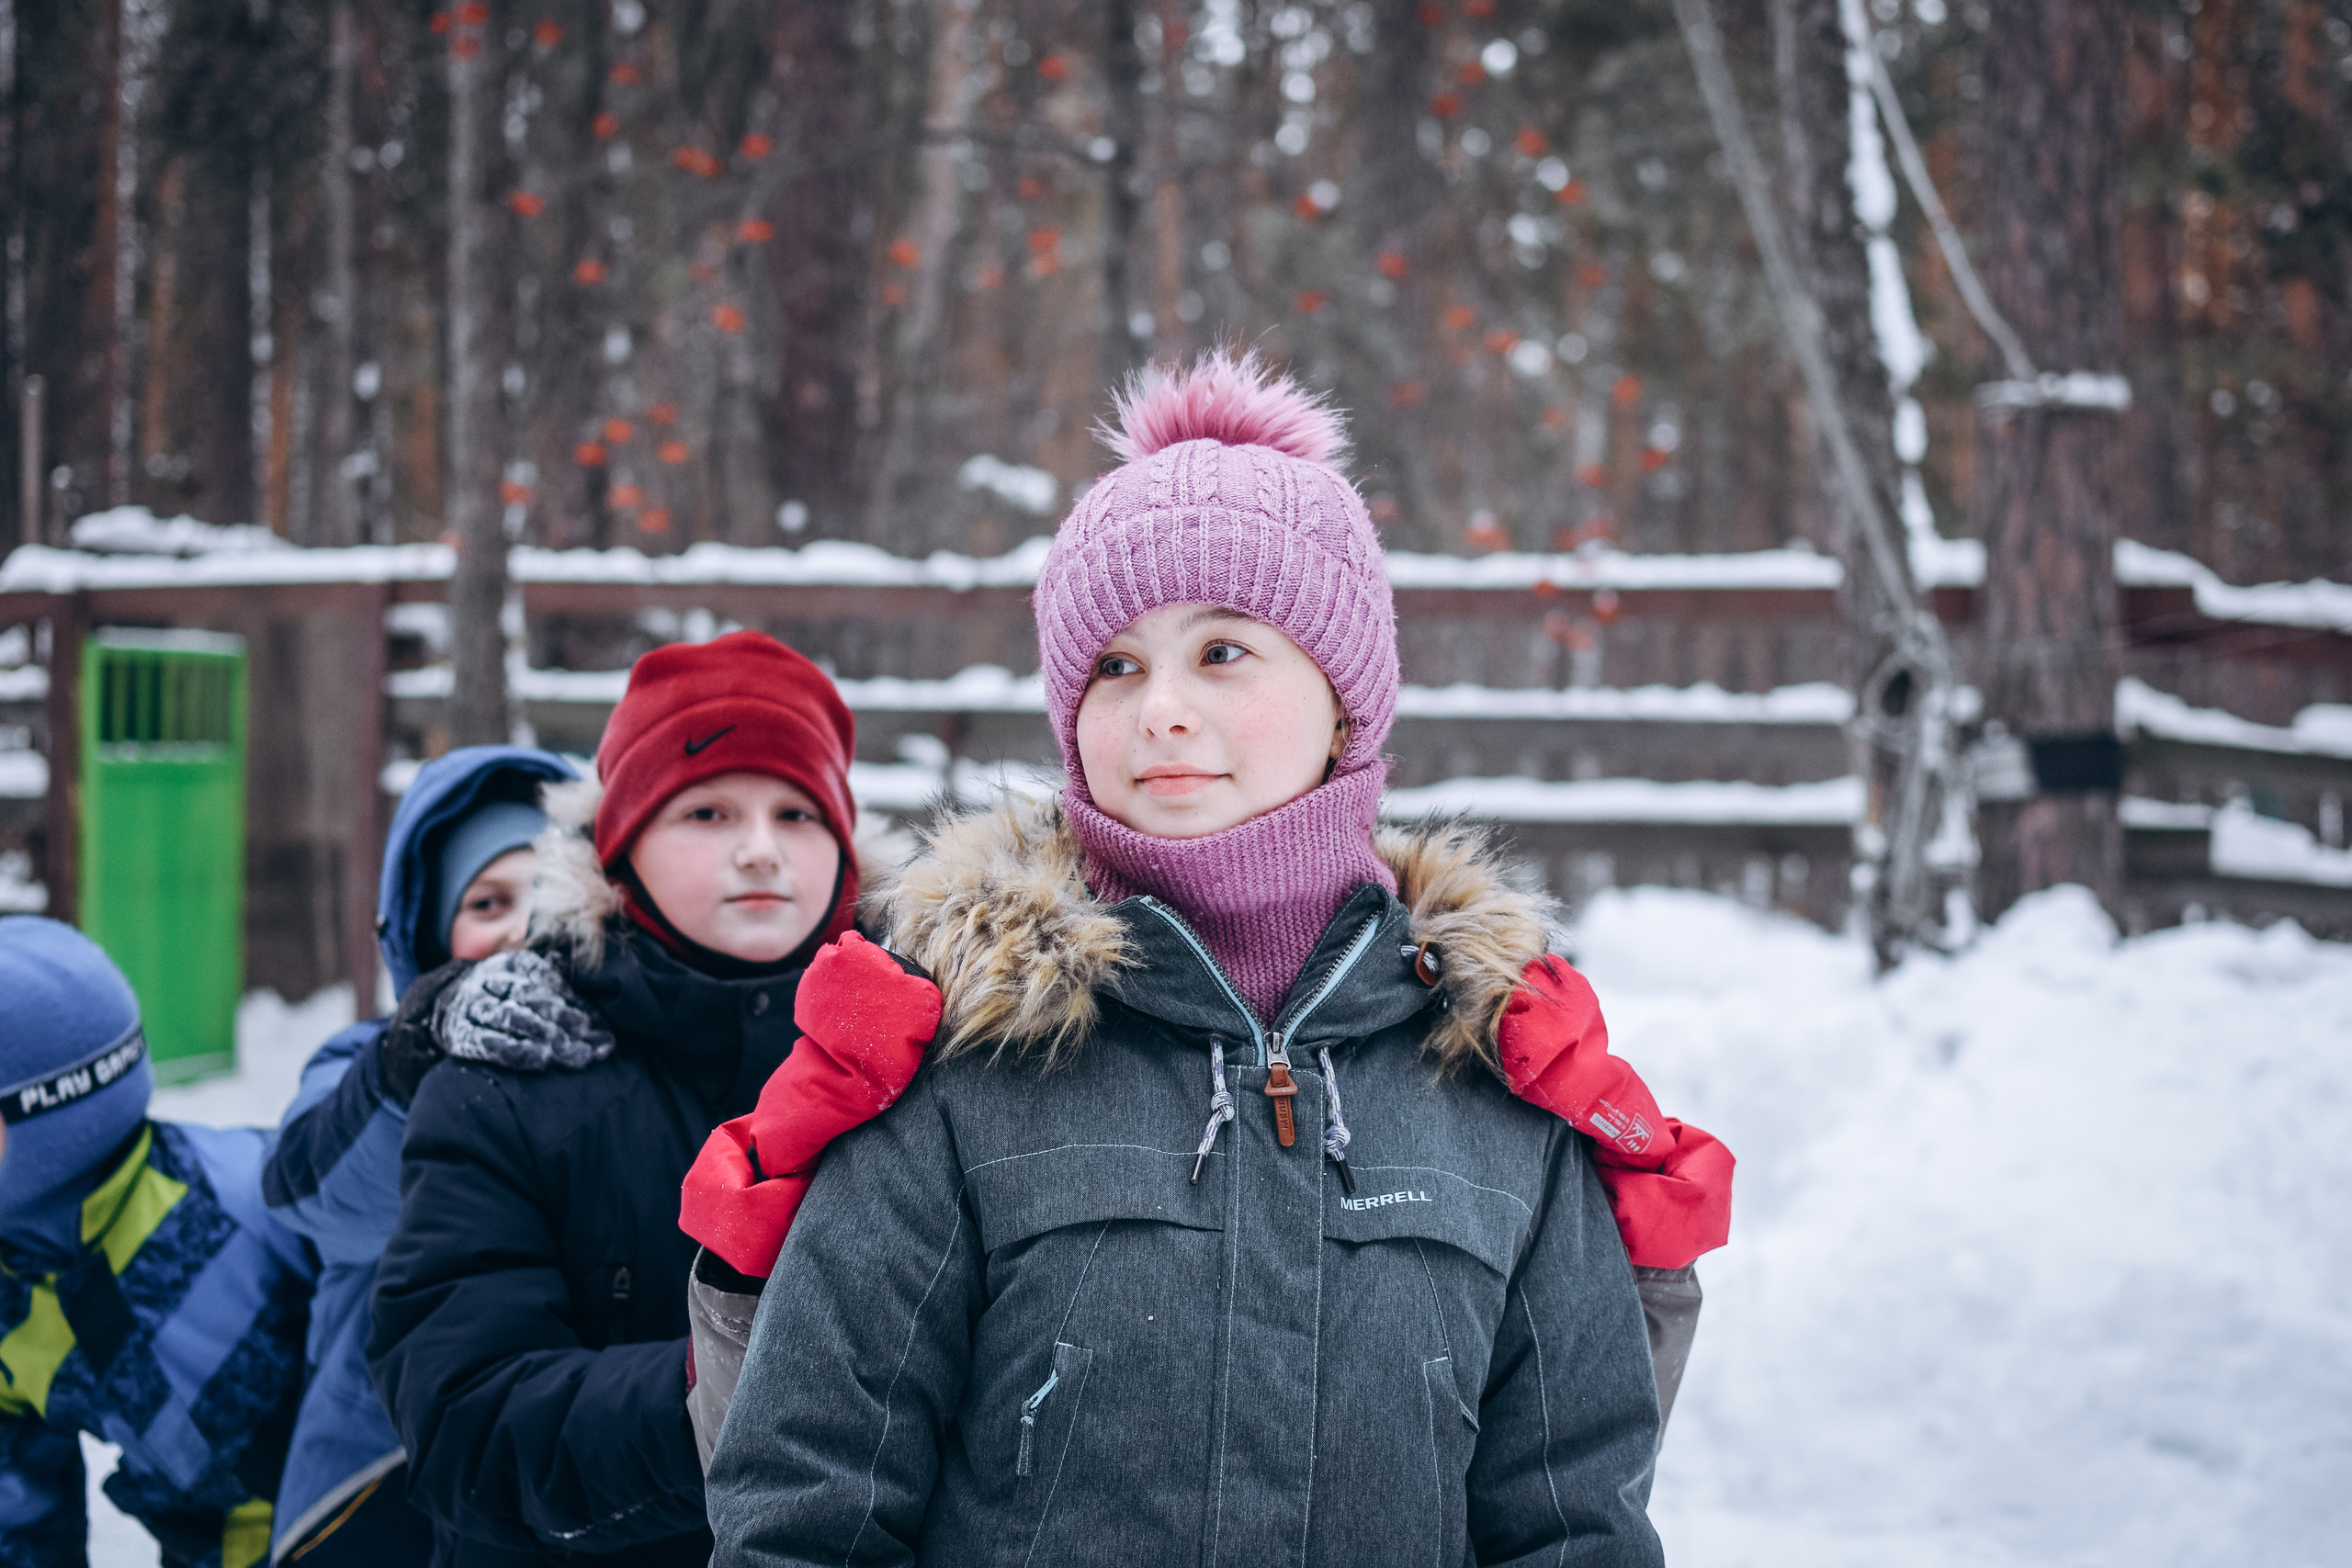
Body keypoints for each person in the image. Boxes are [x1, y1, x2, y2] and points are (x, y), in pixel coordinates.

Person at [703, 353, 1719, 1566]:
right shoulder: (955, 1057)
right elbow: (805, 1507)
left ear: (1347, 698)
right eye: (1115, 665)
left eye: (1224, 650)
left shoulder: (1499, 1078)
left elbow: (1573, 1520)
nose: (1161, 710)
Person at [365, 631, 933, 1567]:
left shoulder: (931, 1055)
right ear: (619, 853)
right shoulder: (508, 1079)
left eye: (797, 814)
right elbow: (463, 1417)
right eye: (706, 813)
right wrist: (716, 1390)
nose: (760, 852)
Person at [261, 744, 578, 1562]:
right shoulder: (368, 1061)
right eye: (487, 901)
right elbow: (316, 1197)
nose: (522, 926)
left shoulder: (632, 1071)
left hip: (548, 1466)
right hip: (372, 1478)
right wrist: (420, 1050)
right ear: (428, 933)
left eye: (547, 894)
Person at [0, 918, 329, 1568]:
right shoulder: (11, 1290)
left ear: (51, 1111)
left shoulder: (256, 1207)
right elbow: (17, 1504)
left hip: (359, 1528)